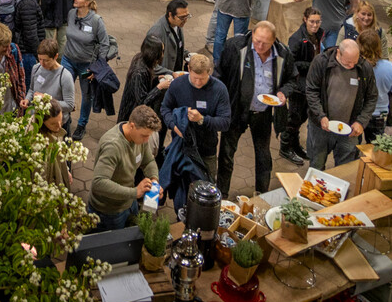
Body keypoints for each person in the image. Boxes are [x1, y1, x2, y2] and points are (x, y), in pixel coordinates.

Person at [214, 21, 296, 195]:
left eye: (265, 43)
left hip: (263, 113)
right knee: (226, 155)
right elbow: (219, 74)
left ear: (274, 40)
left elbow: (292, 80)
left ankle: (261, 194)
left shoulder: (283, 54)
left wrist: (283, 93)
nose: (259, 45)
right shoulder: (235, 47)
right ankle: (222, 194)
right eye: (256, 40)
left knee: (263, 156)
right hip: (236, 111)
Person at [305, 39, 377, 168]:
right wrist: (320, 116)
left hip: (349, 130)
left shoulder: (364, 67)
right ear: (338, 52)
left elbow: (371, 98)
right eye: (348, 62)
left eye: (355, 62)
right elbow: (311, 91)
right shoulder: (321, 62)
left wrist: (361, 121)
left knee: (344, 169)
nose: (352, 66)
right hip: (320, 127)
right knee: (317, 163)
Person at [89, 104, 161, 231]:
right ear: (132, 125)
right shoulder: (113, 146)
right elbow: (98, 182)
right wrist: (134, 192)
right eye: (144, 136)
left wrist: (154, 180)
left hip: (128, 201)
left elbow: (149, 161)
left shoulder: (139, 138)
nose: (146, 140)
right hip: (109, 211)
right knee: (115, 246)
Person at [160, 54, 231, 184]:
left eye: (202, 79)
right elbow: (165, 109)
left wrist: (202, 119)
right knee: (181, 188)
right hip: (182, 148)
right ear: (188, 69)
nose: (198, 82)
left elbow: (225, 122)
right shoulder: (177, 85)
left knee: (206, 188)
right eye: (195, 78)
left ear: (209, 72)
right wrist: (174, 127)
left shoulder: (219, 89)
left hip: (206, 150)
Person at [62, 0, 110, 141]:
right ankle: (65, 118)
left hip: (86, 65)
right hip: (68, 59)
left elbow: (104, 44)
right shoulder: (71, 14)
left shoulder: (96, 21)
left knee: (86, 95)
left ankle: (82, 124)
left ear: (87, 3)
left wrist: (97, 67)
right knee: (63, 89)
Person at [284, 7, 323, 165]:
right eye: (312, 21)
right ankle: (285, 147)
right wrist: (313, 65)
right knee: (294, 117)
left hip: (311, 84)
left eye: (318, 22)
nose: (315, 25)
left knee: (303, 117)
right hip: (298, 86)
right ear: (305, 20)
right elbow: (291, 63)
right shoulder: (296, 39)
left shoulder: (319, 34)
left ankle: (295, 145)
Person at [358, 30, 392, 143]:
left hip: (358, 113)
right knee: (376, 150)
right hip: (379, 115)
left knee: (352, 149)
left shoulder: (355, 66)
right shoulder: (388, 66)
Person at [22, 39, 75, 133]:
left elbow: (69, 105)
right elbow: (31, 90)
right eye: (40, 59)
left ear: (56, 56)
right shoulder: (36, 68)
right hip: (39, 121)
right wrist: (27, 99)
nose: (42, 63)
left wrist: (46, 99)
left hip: (56, 125)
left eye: (46, 60)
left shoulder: (65, 76)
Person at [14, 0, 56, 82]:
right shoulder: (29, 4)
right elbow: (30, 35)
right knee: (28, 88)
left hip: (25, 51)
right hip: (27, 54)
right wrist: (40, 55)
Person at [117, 34, 169, 124]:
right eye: (161, 51)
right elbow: (142, 101)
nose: (163, 54)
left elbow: (143, 86)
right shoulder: (140, 72)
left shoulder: (141, 58)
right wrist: (159, 87)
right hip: (131, 117)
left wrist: (156, 80)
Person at [145, 0, 191, 75]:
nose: (185, 20)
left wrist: (188, 55)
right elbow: (150, 64)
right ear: (170, 15)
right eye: (182, 17)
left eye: (187, 16)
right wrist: (170, 73)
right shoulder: (156, 33)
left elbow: (176, 46)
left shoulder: (178, 24)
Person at [39, 98, 75, 192]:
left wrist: (66, 170)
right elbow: (41, 177)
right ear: (42, 122)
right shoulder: (39, 144)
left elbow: (60, 155)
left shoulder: (56, 132)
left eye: (60, 120)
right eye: (53, 123)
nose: (59, 126)